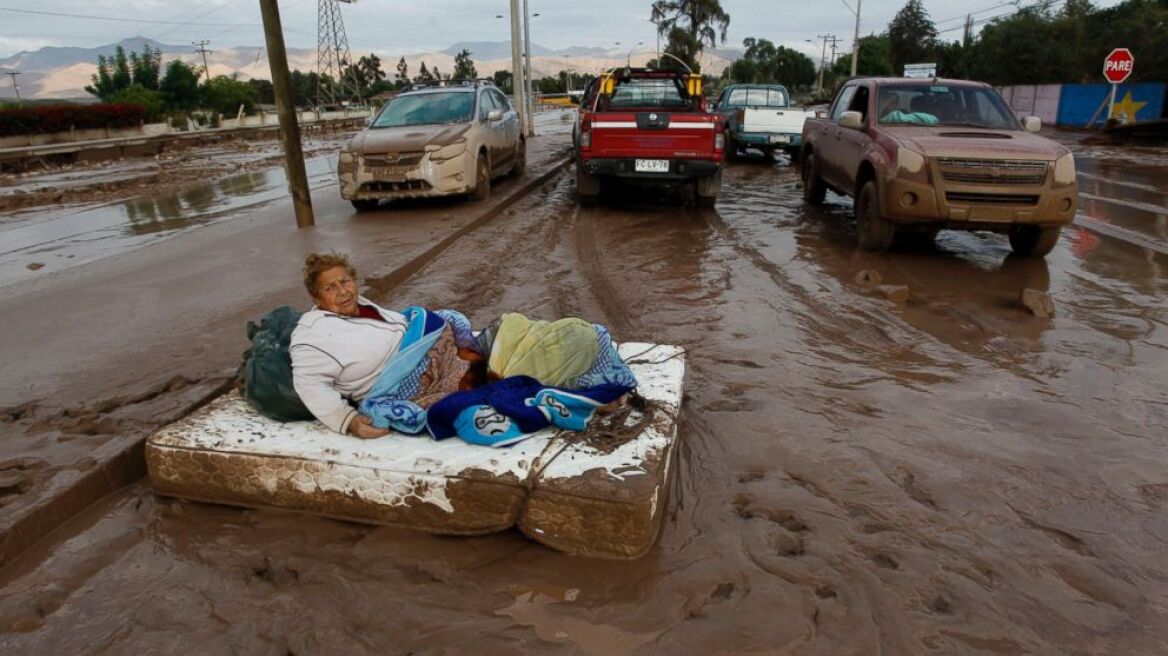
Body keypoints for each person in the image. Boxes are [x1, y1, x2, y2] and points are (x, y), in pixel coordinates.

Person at [289, 252, 406, 438]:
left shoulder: (362, 306)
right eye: (330, 288)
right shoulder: (312, 336)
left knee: (451, 320)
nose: (343, 291)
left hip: (419, 352)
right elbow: (309, 384)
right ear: (316, 299)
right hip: (398, 385)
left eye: (346, 281)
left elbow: (399, 324)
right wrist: (350, 421)